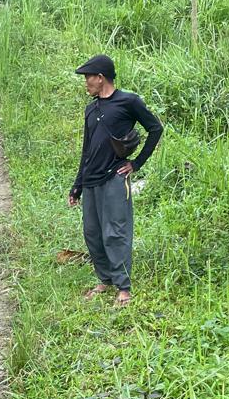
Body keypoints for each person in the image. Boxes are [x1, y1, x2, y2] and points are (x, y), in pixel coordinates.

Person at [68, 53, 163, 308]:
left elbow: (155, 129)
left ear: (100, 78)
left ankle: (123, 287)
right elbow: (86, 150)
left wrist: (136, 163)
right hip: (91, 180)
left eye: (88, 78)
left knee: (115, 232)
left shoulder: (128, 102)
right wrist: (77, 185)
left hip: (113, 178)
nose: (85, 82)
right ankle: (105, 279)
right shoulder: (91, 108)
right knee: (93, 232)